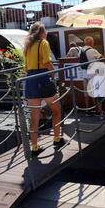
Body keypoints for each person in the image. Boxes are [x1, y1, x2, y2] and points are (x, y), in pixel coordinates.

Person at [23, 22, 65, 157]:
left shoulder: (27, 46)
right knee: (56, 109)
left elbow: (25, 67)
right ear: (41, 32)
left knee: (34, 117)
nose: (46, 33)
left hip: (30, 80)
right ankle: (57, 139)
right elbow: (47, 62)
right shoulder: (43, 43)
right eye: (45, 31)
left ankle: (34, 147)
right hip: (42, 77)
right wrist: (54, 74)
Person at [81, 36, 105, 119]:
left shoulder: (80, 50)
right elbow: (101, 58)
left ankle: (88, 110)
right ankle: (98, 111)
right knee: (95, 93)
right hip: (92, 74)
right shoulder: (93, 50)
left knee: (86, 94)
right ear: (91, 43)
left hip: (84, 74)